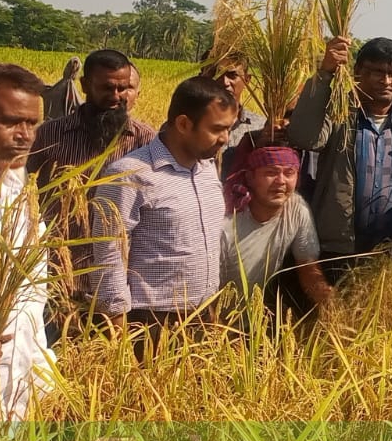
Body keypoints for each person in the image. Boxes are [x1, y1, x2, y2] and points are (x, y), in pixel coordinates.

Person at [88, 77, 239, 349]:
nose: (225, 139)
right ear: (183, 124)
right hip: (148, 322)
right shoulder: (128, 174)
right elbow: (108, 254)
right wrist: (118, 331)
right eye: (217, 129)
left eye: (229, 129)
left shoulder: (206, 170)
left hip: (201, 317)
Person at [286, 36, 392, 282]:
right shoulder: (338, 110)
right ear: (357, 72)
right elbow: (305, 137)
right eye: (376, 72)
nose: (386, 81)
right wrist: (326, 73)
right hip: (340, 248)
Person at [0, 63, 56, 421]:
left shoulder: (23, 201)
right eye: (11, 121)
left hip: (15, 406)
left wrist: (43, 381)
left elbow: (32, 303)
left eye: (32, 124)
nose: (26, 135)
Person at [219, 145, 329, 315]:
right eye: (271, 173)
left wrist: (328, 300)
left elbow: (307, 267)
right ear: (250, 177)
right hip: (209, 320)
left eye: (289, 173)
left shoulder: (296, 208)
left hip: (253, 320)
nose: (281, 181)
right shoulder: (226, 219)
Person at [29, 50, 154, 198]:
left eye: (122, 89)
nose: (115, 96)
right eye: (107, 88)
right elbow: (22, 183)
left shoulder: (147, 140)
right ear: (84, 85)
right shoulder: (49, 134)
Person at [205, 53, 267, 178]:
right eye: (217, 74)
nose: (224, 82)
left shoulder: (261, 127)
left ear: (247, 79)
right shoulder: (191, 126)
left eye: (232, 75)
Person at [42, 56, 82, 122]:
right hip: (64, 124)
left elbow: (47, 93)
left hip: (50, 123)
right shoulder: (70, 86)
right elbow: (79, 105)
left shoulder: (59, 86)